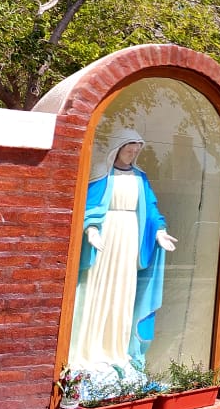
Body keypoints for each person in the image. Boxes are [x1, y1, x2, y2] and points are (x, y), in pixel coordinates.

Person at [70, 128, 176, 379]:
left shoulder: (140, 178)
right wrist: (91, 229)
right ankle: (88, 349)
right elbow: (90, 205)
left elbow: (150, 208)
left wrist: (159, 231)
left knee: (122, 293)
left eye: (136, 150)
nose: (132, 153)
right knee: (96, 288)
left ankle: (115, 349)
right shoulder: (103, 174)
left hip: (129, 237)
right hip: (106, 236)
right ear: (118, 148)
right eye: (129, 149)